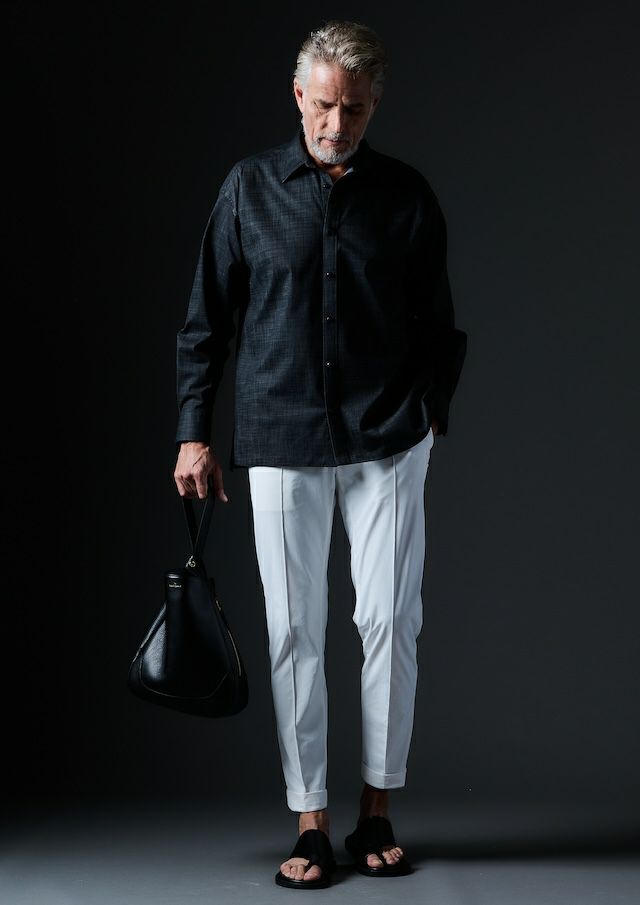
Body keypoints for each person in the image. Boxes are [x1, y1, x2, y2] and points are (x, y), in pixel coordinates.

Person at [173, 19, 467, 890]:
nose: (339, 125)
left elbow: (438, 318)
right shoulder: (248, 187)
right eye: (327, 105)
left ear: (376, 106)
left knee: (390, 620)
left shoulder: (406, 195)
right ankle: (310, 820)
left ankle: (377, 810)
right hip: (280, 433)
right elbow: (206, 318)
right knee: (295, 627)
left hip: (389, 435)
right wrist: (193, 429)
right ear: (299, 95)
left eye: (357, 109)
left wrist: (431, 413)